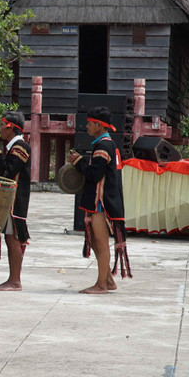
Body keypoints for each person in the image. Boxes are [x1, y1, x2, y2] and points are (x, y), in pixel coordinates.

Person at [66, 106, 131, 294]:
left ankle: (101, 285)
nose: (86, 126)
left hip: (102, 203)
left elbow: (94, 175)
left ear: (98, 125)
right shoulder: (105, 144)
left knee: (101, 244)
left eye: (89, 123)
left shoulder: (103, 145)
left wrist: (78, 162)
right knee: (94, 241)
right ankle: (108, 280)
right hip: (101, 202)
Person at [0, 111, 31, 292]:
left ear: (10, 127)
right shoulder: (14, 147)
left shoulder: (20, 147)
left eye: (1, 126)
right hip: (11, 201)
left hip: (15, 202)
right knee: (10, 238)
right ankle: (13, 279)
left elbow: (8, 172)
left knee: (13, 239)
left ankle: (15, 281)